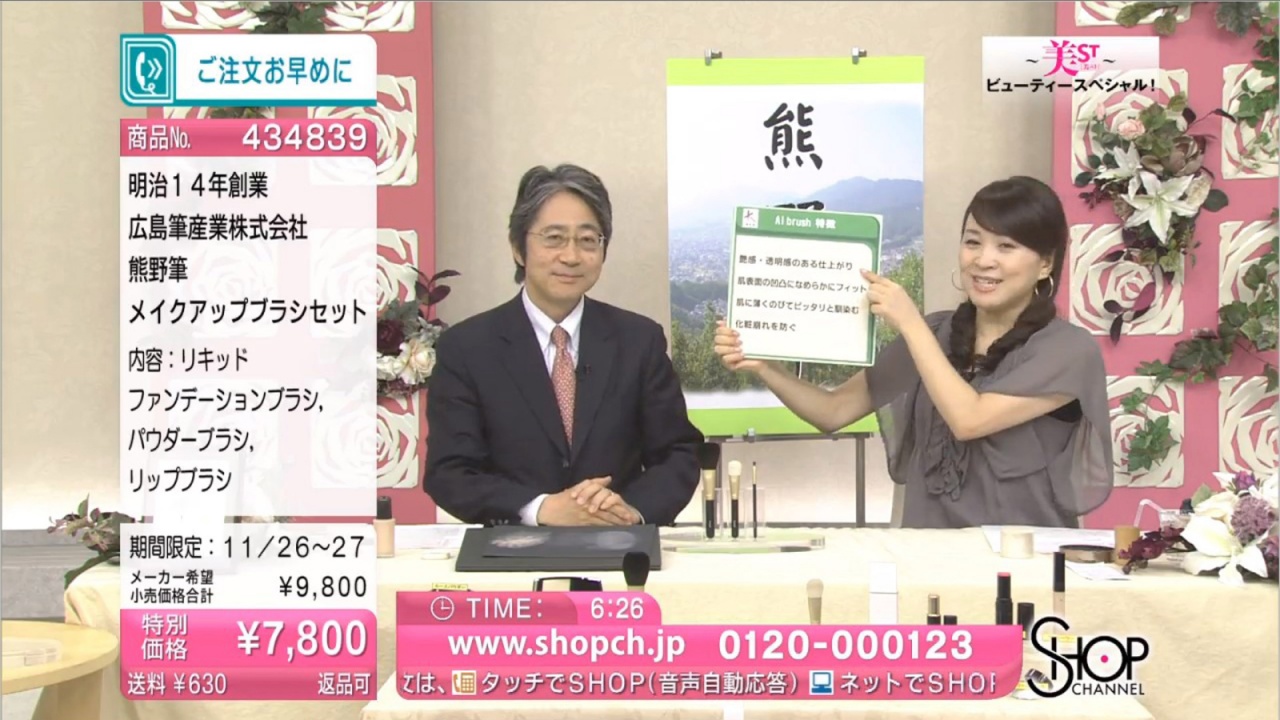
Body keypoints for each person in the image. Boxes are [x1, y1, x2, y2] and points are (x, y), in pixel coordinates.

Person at [714, 176, 1113, 528]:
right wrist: (766, 367)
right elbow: (833, 411)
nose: (983, 260)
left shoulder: (1067, 349)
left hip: (1025, 565)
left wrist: (909, 323)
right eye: (972, 242)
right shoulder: (935, 332)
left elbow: (970, 419)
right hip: (926, 561)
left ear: (1045, 264)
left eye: (1006, 246)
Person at [423, 163, 704, 527]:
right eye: (554, 238)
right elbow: (450, 472)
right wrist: (540, 509)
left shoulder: (639, 340)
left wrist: (629, 510)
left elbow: (678, 453)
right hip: (512, 548)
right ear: (518, 248)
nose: (571, 256)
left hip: (621, 545)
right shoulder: (466, 348)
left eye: (588, 240)